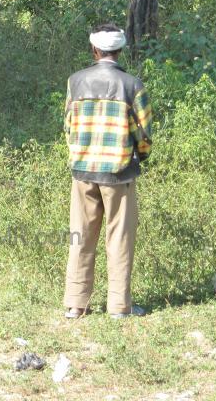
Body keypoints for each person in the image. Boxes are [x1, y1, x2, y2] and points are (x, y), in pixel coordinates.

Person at [63, 23, 152, 320]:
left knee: (80, 236)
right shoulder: (132, 85)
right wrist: (141, 156)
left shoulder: (75, 81)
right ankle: (118, 307)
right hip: (119, 173)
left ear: (94, 49)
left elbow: (68, 126)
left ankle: (76, 304)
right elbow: (143, 133)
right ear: (120, 49)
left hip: (83, 170)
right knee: (119, 239)